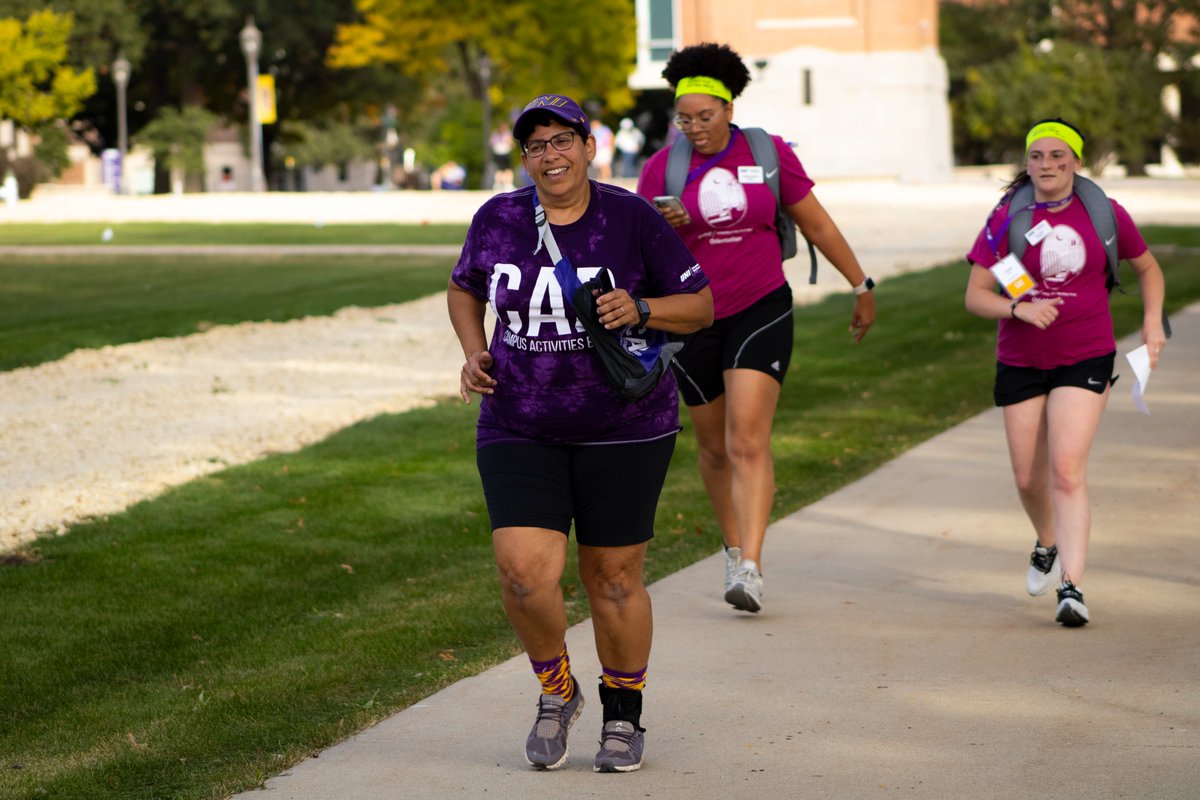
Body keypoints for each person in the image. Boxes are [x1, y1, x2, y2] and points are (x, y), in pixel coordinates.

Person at [447, 93, 713, 773]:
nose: (550, 155)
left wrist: (645, 305)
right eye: (536, 145)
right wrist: (474, 349)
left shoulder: (631, 218)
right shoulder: (499, 218)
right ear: (526, 157)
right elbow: (464, 287)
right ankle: (556, 692)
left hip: (625, 425)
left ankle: (623, 713)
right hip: (518, 421)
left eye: (563, 140)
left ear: (589, 146)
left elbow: (701, 305)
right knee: (523, 575)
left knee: (615, 579)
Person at [637, 42, 876, 613]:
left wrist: (861, 284)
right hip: (691, 317)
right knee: (714, 447)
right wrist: (661, 225)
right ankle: (732, 544)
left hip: (761, 305)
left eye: (705, 116)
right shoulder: (660, 169)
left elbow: (816, 222)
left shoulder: (767, 154)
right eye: (684, 118)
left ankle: (752, 565)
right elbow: (636, 255)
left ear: (728, 110)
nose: (694, 127)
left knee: (747, 437)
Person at [965, 118, 1166, 627]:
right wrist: (1019, 310)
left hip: (1085, 353)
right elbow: (976, 295)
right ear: (1027, 161)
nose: (1048, 165)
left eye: (1059, 156)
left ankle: (1072, 587)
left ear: (1077, 161)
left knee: (1066, 470)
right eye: (1038, 156)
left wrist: (1150, 322)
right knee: (1027, 476)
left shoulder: (1103, 213)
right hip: (1021, 358)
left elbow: (1148, 268)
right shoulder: (1007, 216)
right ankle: (1047, 541)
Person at [490, 122, 515, 191]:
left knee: (499, 169)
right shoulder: (506, 134)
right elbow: (511, 143)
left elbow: (492, 143)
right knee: (508, 169)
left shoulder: (495, 134)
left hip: (497, 153)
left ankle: (498, 184)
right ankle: (507, 184)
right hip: (505, 153)